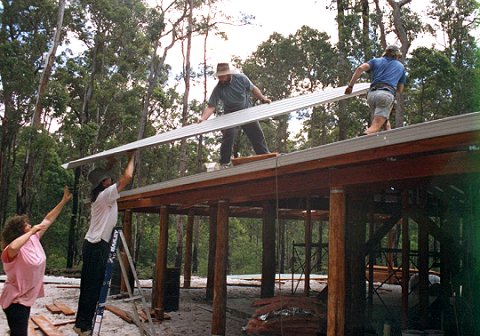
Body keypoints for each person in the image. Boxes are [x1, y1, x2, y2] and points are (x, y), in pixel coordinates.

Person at [74, 151, 135, 335]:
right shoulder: (106, 195)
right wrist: (132, 157)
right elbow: (127, 177)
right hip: (97, 245)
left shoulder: (100, 194)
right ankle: (83, 326)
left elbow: (105, 177)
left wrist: (110, 164)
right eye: (108, 178)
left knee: (88, 285)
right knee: (92, 287)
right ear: (104, 183)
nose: (110, 179)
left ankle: (81, 323)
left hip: (93, 244)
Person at [0, 186, 72, 336]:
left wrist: (63, 201)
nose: (30, 225)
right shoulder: (12, 250)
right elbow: (12, 247)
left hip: (25, 299)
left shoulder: (33, 239)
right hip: (15, 300)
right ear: (20, 231)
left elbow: (48, 218)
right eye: (26, 225)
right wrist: (32, 231)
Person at [200, 63, 271, 168]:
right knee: (228, 134)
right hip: (230, 114)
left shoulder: (241, 79)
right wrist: (202, 119)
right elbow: (211, 106)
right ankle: (224, 162)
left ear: (228, 74)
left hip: (245, 111)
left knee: (257, 134)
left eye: (223, 76)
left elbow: (253, 89)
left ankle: (265, 156)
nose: (221, 79)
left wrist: (263, 98)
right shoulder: (218, 88)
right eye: (219, 77)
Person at [345, 45, 406, 135]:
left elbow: (360, 68)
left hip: (371, 95)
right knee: (376, 126)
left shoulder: (376, 61)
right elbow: (400, 90)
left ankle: (389, 142)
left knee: (385, 122)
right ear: (397, 55)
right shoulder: (401, 67)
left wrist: (350, 87)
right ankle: (363, 137)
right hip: (385, 94)